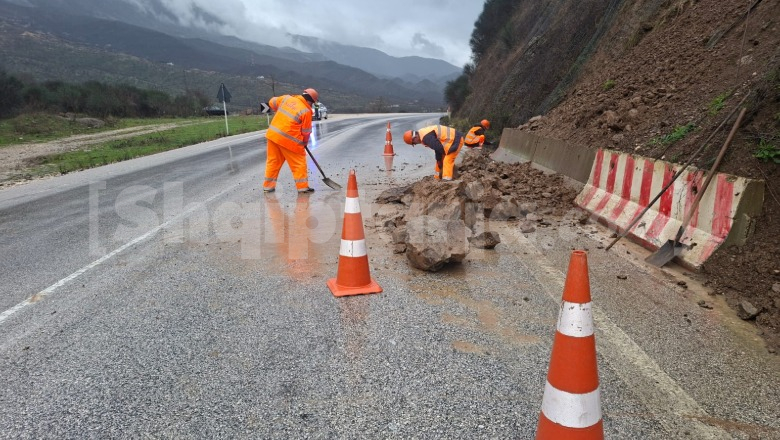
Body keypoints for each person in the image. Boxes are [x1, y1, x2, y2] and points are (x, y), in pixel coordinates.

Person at [263, 88, 319, 193]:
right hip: (290, 141)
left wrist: (277, 108)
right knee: (298, 162)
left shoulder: (286, 99)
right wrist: (304, 143)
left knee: (273, 162)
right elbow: (306, 132)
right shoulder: (306, 111)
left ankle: (268, 187)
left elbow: (271, 102)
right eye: (312, 104)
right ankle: (302, 187)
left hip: (273, 136)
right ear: (310, 101)